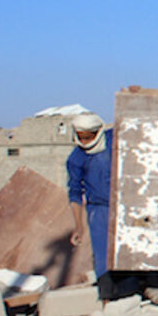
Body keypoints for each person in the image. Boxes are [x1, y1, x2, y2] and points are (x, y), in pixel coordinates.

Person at [67, 113, 114, 296]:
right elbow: (75, 193)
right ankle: (107, 299)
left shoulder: (112, 140)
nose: (85, 141)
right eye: (81, 137)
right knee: (103, 256)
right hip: (99, 209)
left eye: (89, 136)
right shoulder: (76, 158)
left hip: (122, 205)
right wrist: (79, 227)